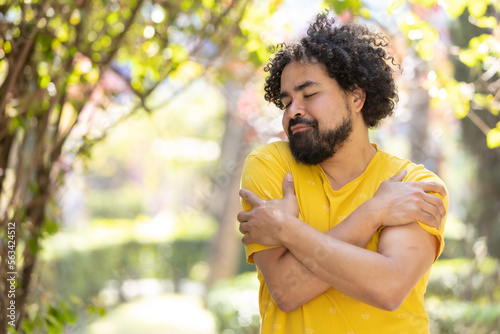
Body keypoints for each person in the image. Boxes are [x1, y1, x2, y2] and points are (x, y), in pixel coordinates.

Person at [236, 12, 449, 334]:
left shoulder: (414, 185)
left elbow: (388, 287)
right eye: (286, 101)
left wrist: (285, 229)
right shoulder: (271, 166)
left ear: (356, 97)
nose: (293, 110)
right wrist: (374, 212)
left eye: (309, 95)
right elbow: (286, 290)